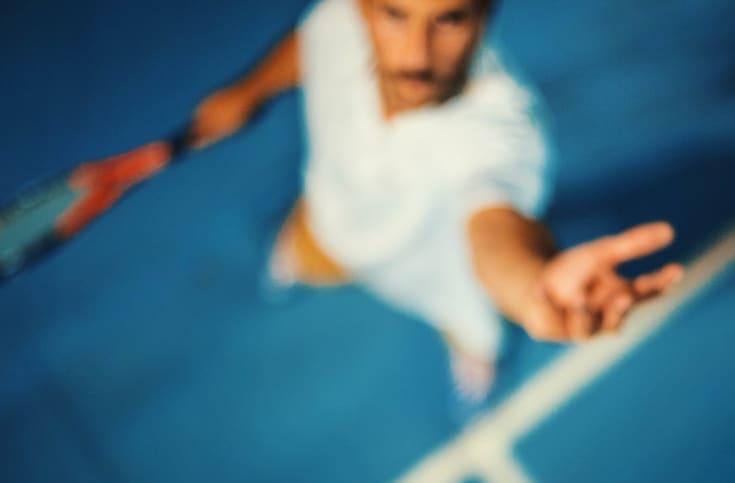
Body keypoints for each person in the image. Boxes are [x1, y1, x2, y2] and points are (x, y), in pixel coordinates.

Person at [190, 0, 683, 406]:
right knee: (305, 251)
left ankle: (475, 351)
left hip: (441, 275)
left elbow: (497, 227)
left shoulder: (503, 130)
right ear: (362, 8)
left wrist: (535, 288)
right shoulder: (336, 20)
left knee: (472, 326)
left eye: (450, 18)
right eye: (394, 14)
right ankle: (301, 257)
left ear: (488, 12)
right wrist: (249, 90)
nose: (416, 56)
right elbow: (312, 41)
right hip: (328, 225)